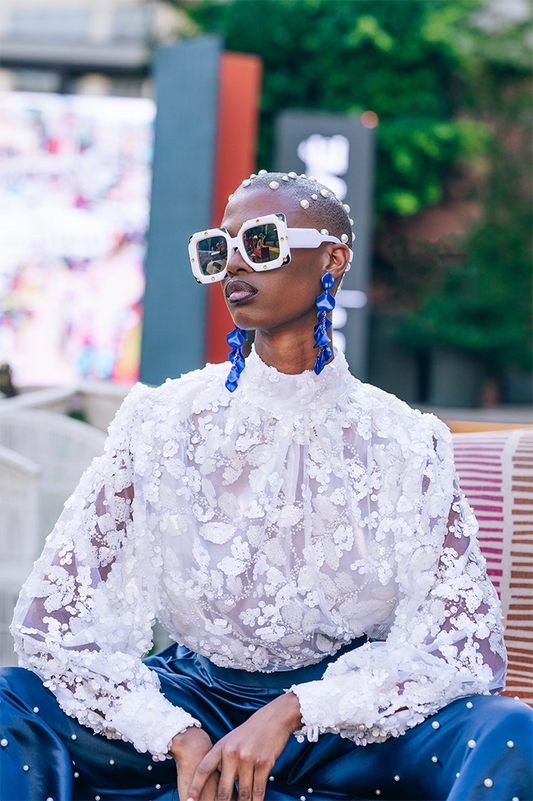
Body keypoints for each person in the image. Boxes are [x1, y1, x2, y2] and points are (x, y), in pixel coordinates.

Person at [1, 170, 533, 801]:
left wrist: (292, 712)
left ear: (332, 259)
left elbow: (454, 643)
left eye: (261, 243)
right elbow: (59, 623)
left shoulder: (406, 441)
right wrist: (172, 732)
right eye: (218, 250)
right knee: (11, 703)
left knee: (509, 732)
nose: (233, 266)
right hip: (185, 707)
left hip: (343, 725)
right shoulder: (160, 421)